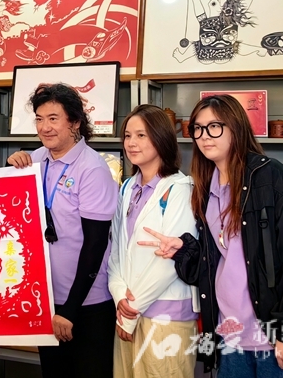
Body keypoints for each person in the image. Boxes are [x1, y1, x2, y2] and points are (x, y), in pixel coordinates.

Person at [143, 94, 283, 377]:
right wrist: (183, 249)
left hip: (274, 337)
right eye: (198, 128)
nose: (204, 136)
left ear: (236, 127)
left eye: (214, 126)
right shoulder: (206, 188)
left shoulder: (271, 177)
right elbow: (217, 263)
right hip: (230, 334)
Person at [7, 83, 118, 378]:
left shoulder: (92, 168)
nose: (45, 127)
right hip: (46, 298)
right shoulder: (36, 159)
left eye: (54, 118)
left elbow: (95, 245)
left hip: (86, 303)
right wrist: (11, 165)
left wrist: (70, 309)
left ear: (75, 122)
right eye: (39, 119)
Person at [107, 105, 198, 378]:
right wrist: (119, 295)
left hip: (166, 316)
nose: (131, 143)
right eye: (127, 135)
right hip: (126, 311)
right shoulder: (127, 187)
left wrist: (132, 310)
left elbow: (170, 261)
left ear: (161, 138)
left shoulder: (181, 189)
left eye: (141, 135)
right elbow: (116, 250)